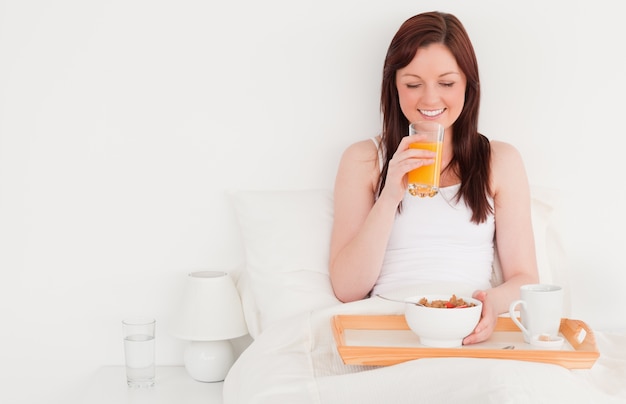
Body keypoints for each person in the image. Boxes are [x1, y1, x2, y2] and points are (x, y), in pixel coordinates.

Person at [329, 11, 539, 345]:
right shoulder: (364, 159)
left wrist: (489, 305)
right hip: (391, 328)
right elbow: (347, 289)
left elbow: (524, 278)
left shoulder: (501, 161)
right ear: (393, 86)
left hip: (465, 324)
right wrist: (389, 197)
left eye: (446, 83)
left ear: (468, 85)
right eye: (413, 84)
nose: (429, 99)